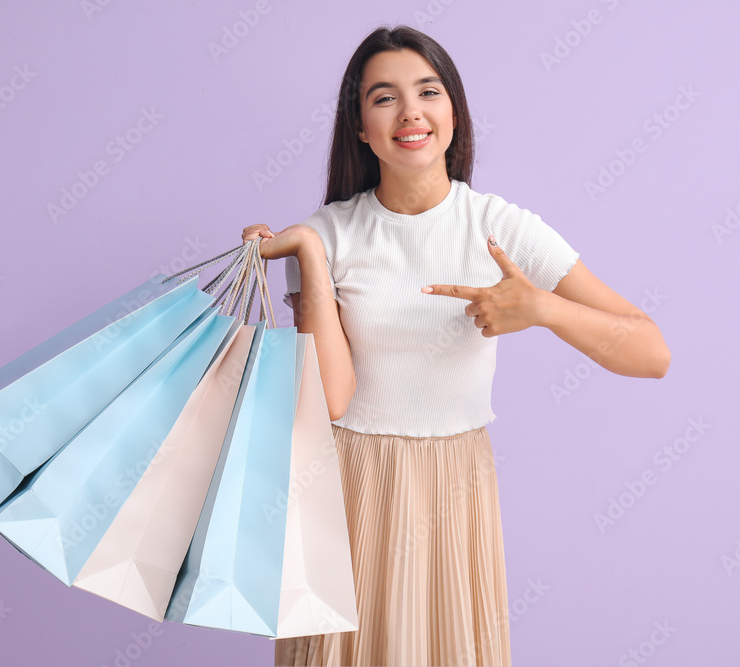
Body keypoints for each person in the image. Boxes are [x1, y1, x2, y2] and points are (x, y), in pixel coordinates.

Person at [241, 24, 670, 667]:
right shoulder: (328, 234)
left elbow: (651, 351)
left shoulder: (500, 227)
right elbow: (333, 398)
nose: (410, 112)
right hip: (349, 487)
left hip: (453, 487)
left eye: (428, 91)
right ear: (360, 126)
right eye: (383, 97)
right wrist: (305, 250)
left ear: (454, 111)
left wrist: (543, 309)